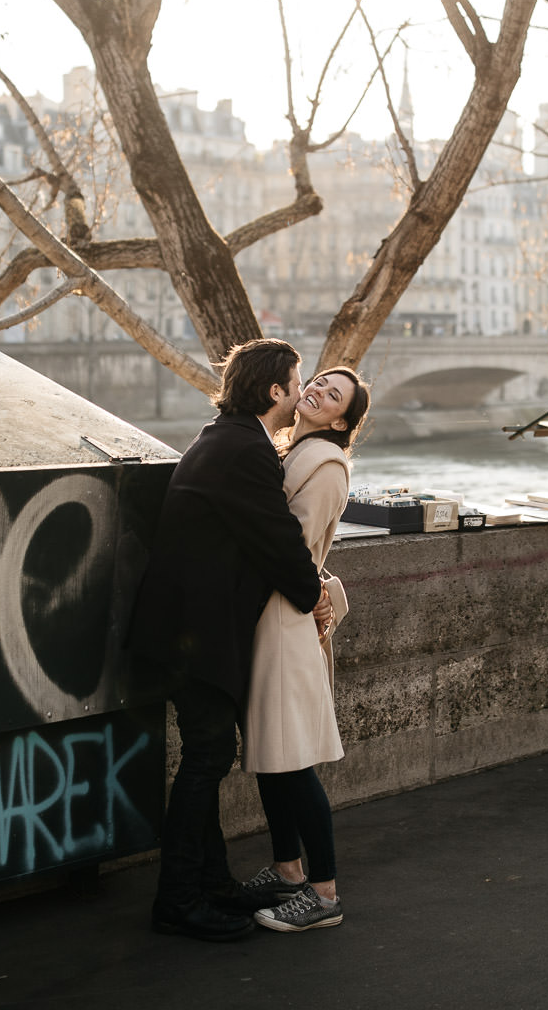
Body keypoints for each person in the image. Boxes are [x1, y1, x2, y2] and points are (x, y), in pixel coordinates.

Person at [128, 338, 325, 941]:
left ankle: (209, 885)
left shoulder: (225, 436)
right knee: (206, 760)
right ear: (275, 392)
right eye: (296, 383)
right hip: (196, 637)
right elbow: (281, 546)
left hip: (184, 631)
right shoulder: (246, 450)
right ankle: (180, 899)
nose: (300, 394)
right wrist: (317, 597)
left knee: (206, 758)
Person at [239, 367, 370, 934]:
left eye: (332, 394)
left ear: (341, 420)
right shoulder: (295, 452)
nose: (316, 390)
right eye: (316, 381)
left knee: (291, 762)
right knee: (272, 757)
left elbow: (292, 547)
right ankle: (288, 870)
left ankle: (324, 893)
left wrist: (315, 589)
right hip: (271, 616)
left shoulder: (325, 466)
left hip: (284, 623)